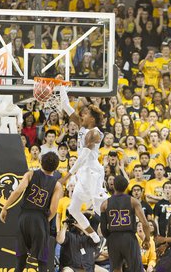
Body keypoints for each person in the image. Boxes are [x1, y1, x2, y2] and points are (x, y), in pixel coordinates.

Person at [0, 152, 63, 272]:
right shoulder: (57, 185)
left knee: (21, 259)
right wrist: (44, 221)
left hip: (25, 217)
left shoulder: (30, 174)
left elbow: (17, 192)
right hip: (40, 219)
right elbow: (53, 210)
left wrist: (4, 208)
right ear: (56, 167)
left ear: (41, 162)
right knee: (42, 261)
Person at [60, 90, 108, 244]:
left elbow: (84, 156)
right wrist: (61, 86)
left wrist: (68, 174)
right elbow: (65, 105)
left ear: (92, 119)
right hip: (83, 172)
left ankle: (110, 233)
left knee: (99, 208)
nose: (82, 115)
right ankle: (95, 238)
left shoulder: (95, 133)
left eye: (86, 114)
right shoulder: (82, 126)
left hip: (92, 173)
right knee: (73, 210)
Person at [100, 175, 150, 272]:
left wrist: (110, 238)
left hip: (113, 238)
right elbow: (145, 223)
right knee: (136, 269)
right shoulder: (133, 201)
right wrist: (147, 239)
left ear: (113, 185)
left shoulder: (105, 204)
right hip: (128, 238)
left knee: (116, 269)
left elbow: (103, 228)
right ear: (127, 186)